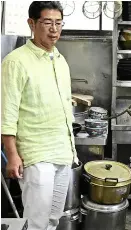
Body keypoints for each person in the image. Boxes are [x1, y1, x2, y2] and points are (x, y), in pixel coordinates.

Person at [1, 2, 78, 230]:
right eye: (47, 23)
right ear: (32, 24)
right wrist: (12, 154)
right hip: (36, 155)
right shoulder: (16, 62)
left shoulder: (60, 60)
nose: (54, 29)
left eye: (58, 23)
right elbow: (7, 112)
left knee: (53, 220)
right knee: (36, 222)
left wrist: (71, 150)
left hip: (62, 152)